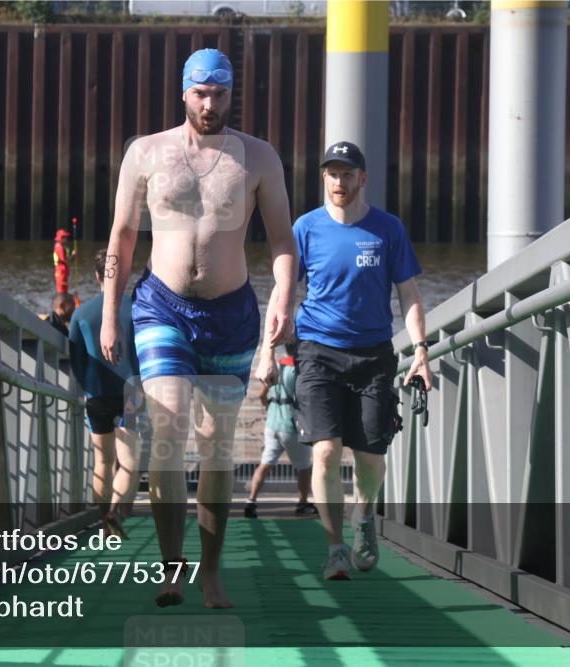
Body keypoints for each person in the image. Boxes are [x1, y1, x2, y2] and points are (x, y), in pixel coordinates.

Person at [100, 48, 296, 609]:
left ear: (232, 95)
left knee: (216, 448)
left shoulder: (257, 158)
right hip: (161, 306)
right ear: (183, 93)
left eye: (220, 94)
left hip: (231, 314)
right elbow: (121, 237)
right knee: (166, 432)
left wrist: (284, 296)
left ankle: (211, 571)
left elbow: (282, 240)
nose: (210, 105)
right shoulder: (146, 153)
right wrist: (112, 311)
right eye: (200, 94)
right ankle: (170, 566)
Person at [256, 140, 433, 581]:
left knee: (370, 456)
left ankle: (364, 517)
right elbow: (282, 295)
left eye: (347, 174)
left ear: (363, 178)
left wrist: (422, 351)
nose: (339, 181)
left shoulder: (387, 229)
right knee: (325, 452)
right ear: (324, 178)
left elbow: (408, 294)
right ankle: (335, 546)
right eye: (332, 173)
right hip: (317, 352)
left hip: (374, 354)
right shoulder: (306, 228)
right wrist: (267, 351)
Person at [68, 250, 141, 539]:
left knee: (102, 461)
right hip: (131, 393)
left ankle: (104, 522)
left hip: (96, 393)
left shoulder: (81, 313)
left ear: (97, 276)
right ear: (124, 274)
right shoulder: (137, 308)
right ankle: (115, 510)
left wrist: (87, 386)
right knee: (129, 463)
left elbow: (75, 359)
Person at [243, 340, 317, 519]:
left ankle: (251, 501)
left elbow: (261, 394)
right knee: (305, 467)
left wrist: (269, 407)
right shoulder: (300, 371)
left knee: (265, 463)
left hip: (272, 424)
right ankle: (302, 503)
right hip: (291, 427)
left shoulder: (275, 366)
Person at [53, 228, 75, 294]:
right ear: (61, 238)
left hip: (63, 271)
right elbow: (65, 260)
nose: (67, 239)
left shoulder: (61, 246)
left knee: (64, 289)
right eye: (65, 237)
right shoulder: (59, 247)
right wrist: (73, 255)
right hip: (61, 271)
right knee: (61, 290)